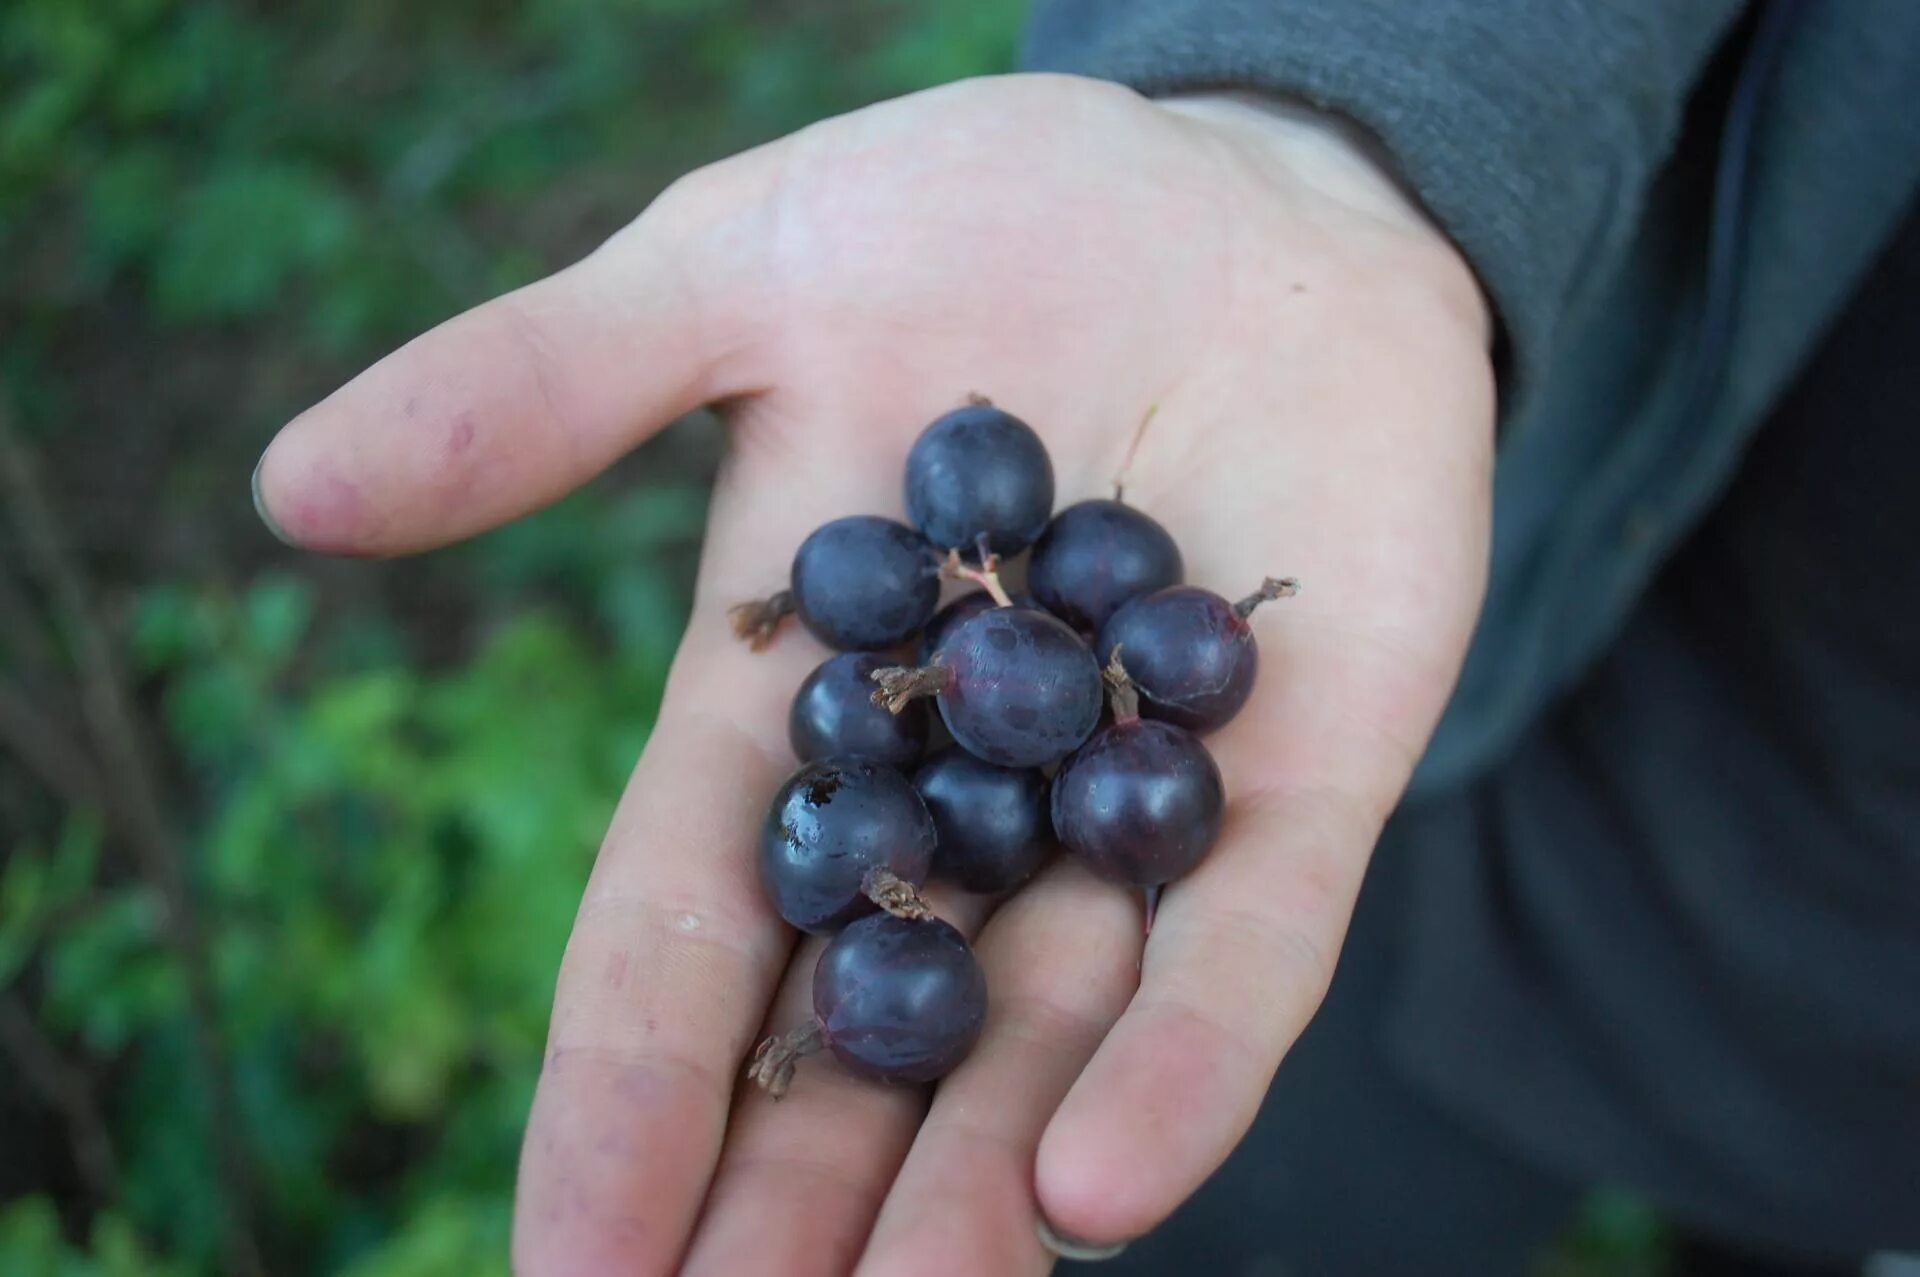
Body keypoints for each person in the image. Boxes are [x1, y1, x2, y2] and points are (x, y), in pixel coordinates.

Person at [250, 1, 1920, 1272]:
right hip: (1517, 798)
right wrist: (1317, 120)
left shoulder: (1010, 715)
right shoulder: (982, 670)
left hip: (1856, 1064)